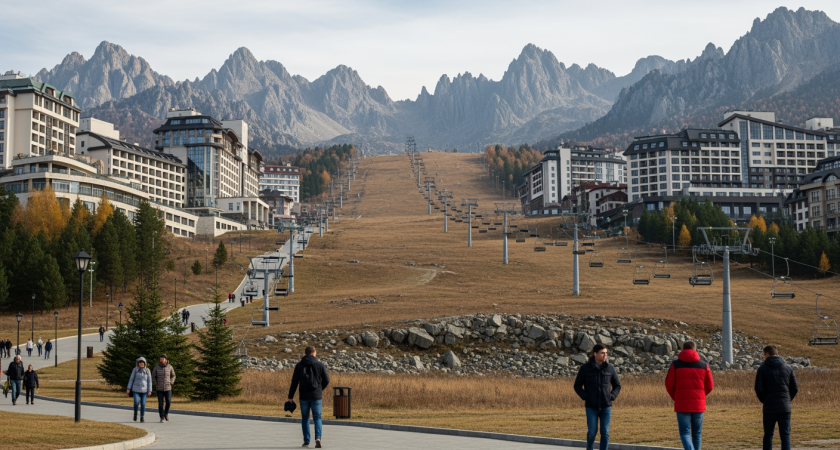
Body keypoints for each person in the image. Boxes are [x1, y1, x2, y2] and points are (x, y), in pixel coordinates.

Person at [665, 341, 714, 450]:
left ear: (683, 349)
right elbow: (710, 385)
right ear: (695, 350)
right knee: (697, 434)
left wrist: (676, 397)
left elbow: (668, 384)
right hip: (698, 404)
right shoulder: (704, 365)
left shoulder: (675, 365)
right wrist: (700, 396)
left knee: (685, 433)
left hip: (682, 404)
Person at [574, 343, 621, 450]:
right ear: (595, 354)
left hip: (606, 407)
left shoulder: (610, 368)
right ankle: (589, 448)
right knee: (592, 432)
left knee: (605, 433)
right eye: (602, 353)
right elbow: (577, 386)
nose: (605, 355)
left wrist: (612, 396)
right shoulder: (585, 368)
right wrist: (586, 396)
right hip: (591, 407)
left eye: (606, 353)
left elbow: (617, 385)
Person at [755, 345, 798, 450]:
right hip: (785, 407)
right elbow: (795, 388)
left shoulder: (762, 369)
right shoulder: (788, 368)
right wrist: (787, 399)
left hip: (769, 407)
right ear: (777, 353)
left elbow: (758, 388)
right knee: (785, 435)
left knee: (768, 435)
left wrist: (764, 400)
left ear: (767, 354)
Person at [288, 346, 331, 448]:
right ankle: (318, 438)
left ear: (306, 353)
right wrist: (320, 389)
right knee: (317, 417)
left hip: (303, 396)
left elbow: (294, 382)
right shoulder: (319, 364)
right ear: (313, 353)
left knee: (305, 418)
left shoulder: (299, 365)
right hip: (316, 395)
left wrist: (290, 396)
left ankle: (306, 441)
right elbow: (327, 380)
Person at [151, 354, 176, 423]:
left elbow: (173, 375)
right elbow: (153, 376)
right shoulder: (156, 367)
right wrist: (155, 382)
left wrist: (171, 381)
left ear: (166, 360)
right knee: (161, 403)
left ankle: (166, 413)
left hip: (168, 387)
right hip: (159, 388)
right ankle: (161, 417)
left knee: (168, 401)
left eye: (163, 359)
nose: (161, 360)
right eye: (160, 359)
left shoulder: (170, 367)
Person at [127, 357, 153, 422]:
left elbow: (149, 381)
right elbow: (131, 379)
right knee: (136, 403)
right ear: (138, 363)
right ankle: (135, 414)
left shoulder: (147, 371)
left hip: (144, 390)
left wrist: (150, 390)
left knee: (143, 404)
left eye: (142, 363)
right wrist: (128, 388)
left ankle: (142, 417)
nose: (141, 364)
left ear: (145, 363)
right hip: (136, 389)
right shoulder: (135, 370)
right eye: (140, 363)